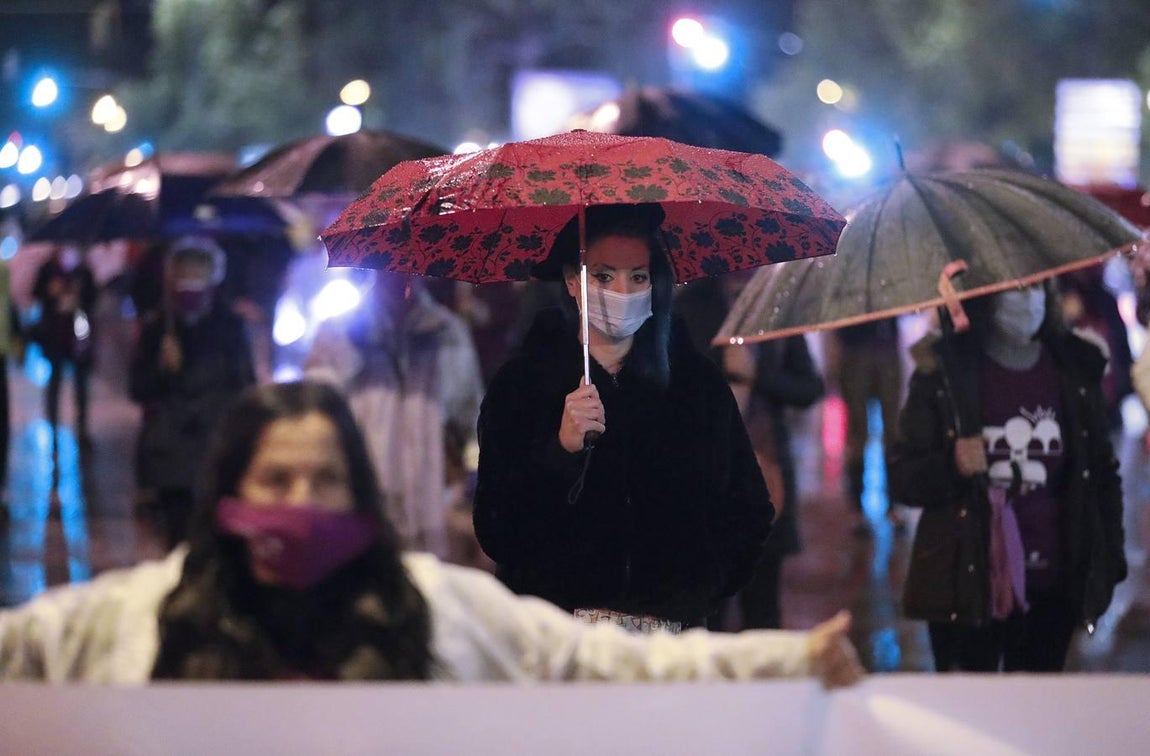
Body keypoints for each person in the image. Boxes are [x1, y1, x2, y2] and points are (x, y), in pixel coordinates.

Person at [0, 380, 864, 687]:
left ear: (359, 494)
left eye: (326, 481)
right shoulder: (139, 619)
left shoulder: (434, 611)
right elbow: (25, 650)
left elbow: (593, 660)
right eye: (276, 480)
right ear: (229, 492)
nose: (301, 501)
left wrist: (782, 659)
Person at [473, 203, 774, 633]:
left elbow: (749, 509)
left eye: (638, 277)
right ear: (573, 281)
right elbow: (497, 527)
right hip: (561, 637)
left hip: (672, 640)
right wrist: (560, 451)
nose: (622, 289)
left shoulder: (695, 385)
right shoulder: (523, 386)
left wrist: (697, 591)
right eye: (603, 275)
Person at [888, 281, 1127, 672]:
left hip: (1054, 587)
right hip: (966, 586)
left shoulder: (1074, 368)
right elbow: (902, 476)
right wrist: (952, 465)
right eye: (1014, 285)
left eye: (1036, 285)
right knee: (970, 718)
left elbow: (1101, 475)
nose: (1026, 297)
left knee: (1036, 717)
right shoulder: (943, 371)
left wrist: (1107, 561)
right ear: (986, 292)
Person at [676, 275, 826, 630]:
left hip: (766, 477)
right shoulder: (690, 304)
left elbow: (808, 387)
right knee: (705, 616)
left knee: (763, 610)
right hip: (706, 477)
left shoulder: (778, 305)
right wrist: (720, 367)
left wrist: (756, 375)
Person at [305, 271, 484, 562]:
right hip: (359, 501)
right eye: (392, 262)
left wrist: (464, 487)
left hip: (430, 506)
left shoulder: (448, 331)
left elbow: (469, 416)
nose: (401, 273)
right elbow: (317, 413)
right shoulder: (340, 331)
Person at [129, 236, 256, 549]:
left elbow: (244, 385)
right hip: (171, 459)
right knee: (178, 542)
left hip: (215, 449)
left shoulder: (230, 327)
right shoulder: (158, 328)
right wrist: (160, 365)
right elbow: (137, 390)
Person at [827, 319, 903, 535]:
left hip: (886, 348)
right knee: (858, 433)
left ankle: (893, 505)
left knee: (893, 432)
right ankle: (857, 509)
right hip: (856, 350)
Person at [30, 243, 98, 450]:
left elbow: (93, 297)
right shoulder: (47, 269)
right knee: (55, 382)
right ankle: (53, 427)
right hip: (55, 336)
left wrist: (80, 297)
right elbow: (36, 293)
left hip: (78, 335)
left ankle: (82, 428)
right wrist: (50, 292)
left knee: (81, 385)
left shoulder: (84, 270)